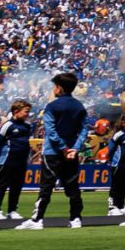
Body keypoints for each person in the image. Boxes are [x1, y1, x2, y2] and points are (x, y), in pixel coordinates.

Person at [24, 73, 89, 228]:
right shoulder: (79, 106)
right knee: (72, 186)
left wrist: (63, 148)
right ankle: (76, 218)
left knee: (46, 186)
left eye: (54, 86)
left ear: (59, 88)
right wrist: (74, 148)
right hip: (72, 153)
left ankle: (37, 219)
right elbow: (84, 130)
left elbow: (50, 131)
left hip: (53, 152)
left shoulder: (52, 106)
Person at [0, 100, 36, 221]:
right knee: (1, 185)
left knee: (17, 186)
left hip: (21, 161)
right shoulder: (7, 125)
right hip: (8, 160)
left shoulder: (27, 126)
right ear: (16, 111)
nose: (28, 114)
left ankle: (12, 210)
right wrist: (0, 157)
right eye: (26, 112)